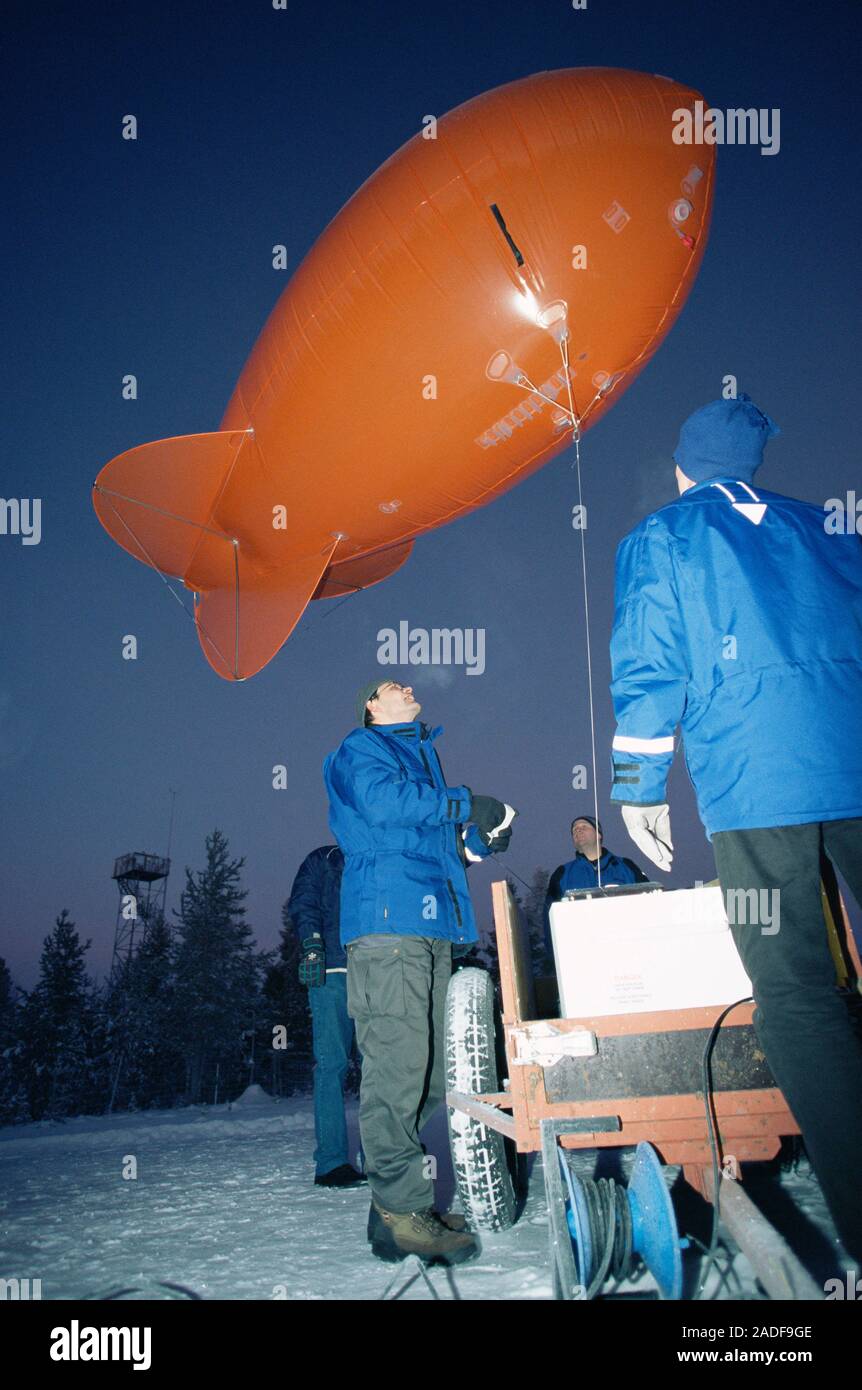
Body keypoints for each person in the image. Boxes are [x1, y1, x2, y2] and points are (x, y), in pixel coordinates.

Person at [608, 391, 862, 1263]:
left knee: (795, 994)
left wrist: (640, 784)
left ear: (683, 468)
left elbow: (651, 663)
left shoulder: (662, 539)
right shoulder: (828, 529)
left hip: (758, 791)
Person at [323, 678, 514, 1264]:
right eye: (389, 684)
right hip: (387, 929)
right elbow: (385, 808)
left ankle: (389, 1208)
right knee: (397, 1070)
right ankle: (403, 1209)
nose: (406, 683)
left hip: (427, 931)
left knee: (429, 1074)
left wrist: (477, 842)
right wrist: (462, 801)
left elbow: (431, 846)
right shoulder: (361, 748)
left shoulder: (420, 759)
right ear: (371, 708)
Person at [287, 844, 366, 1188]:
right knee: (332, 1065)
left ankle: (385, 1155)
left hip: (374, 973)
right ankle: (332, 1163)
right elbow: (303, 904)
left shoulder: (375, 857)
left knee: (381, 1066)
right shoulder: (322, 859)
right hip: (331, 972)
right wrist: (312, 944)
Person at [543, 815, 649, 961]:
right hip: (583, 956)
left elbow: (649, 902)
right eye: (574, 830)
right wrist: (554, 954)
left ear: (598, 834)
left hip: (627, 951)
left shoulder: (625, 866)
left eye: (583, 827)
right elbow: (549, 916)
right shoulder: (562, 873)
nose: (577, 831)